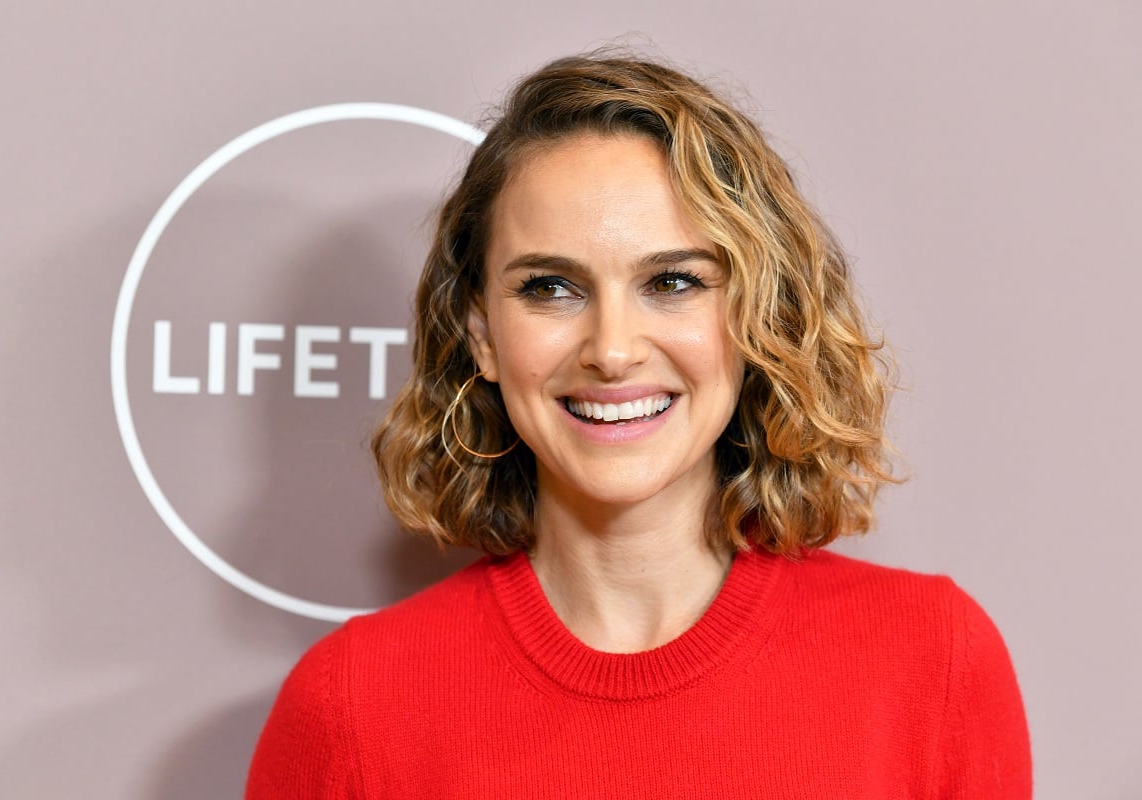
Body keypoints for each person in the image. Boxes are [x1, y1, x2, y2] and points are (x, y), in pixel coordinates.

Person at [246, 52, 1031, 798]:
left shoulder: (929, 659)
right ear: (482, 333)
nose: (613, 351)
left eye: (673, 281)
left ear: (756, 315)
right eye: (552, 288)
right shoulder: (352, 703)